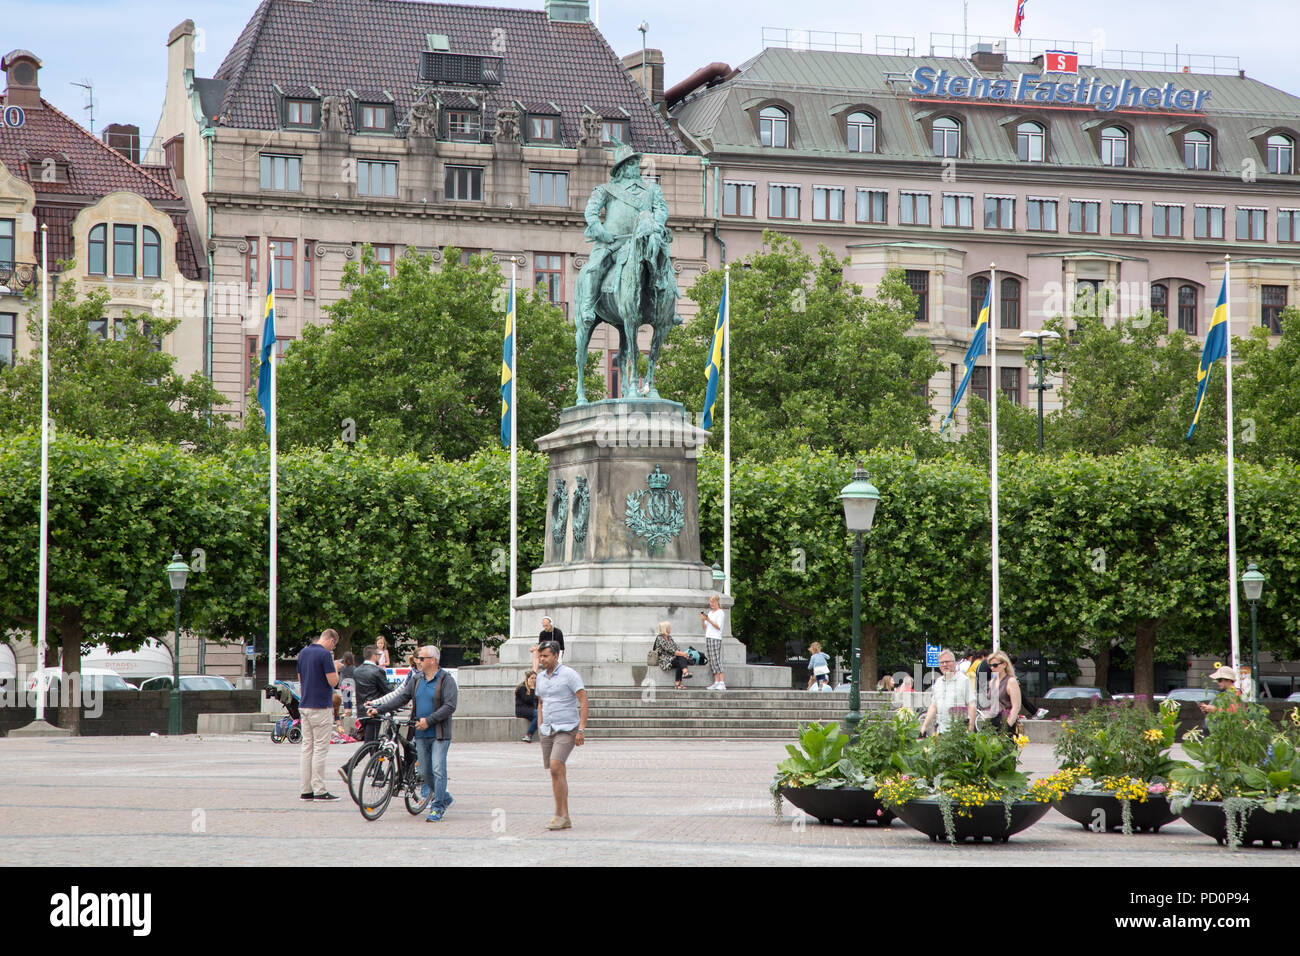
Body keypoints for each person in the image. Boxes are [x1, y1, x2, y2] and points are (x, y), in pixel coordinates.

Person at [366, 645, 458, 822]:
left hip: (439, 733)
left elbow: (450, 706)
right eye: (417, 658)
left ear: (432, 660)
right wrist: (379, 709)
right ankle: (445, 798)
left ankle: (438, 807)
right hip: (421, 733)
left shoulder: (446, 680)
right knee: (424, 771)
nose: (418, 661)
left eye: (421, 659)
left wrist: (429, 720)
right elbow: (401, 698)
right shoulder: (416, 679)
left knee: (438, 770)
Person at [536, 640, 587, 830]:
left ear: (556, 656)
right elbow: (541, 702)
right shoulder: (540, 677)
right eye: (540, 656)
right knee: (555, 771)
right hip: (548, 729)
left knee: (556, 766)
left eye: (546, 656)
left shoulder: (570, 675)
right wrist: (541, 725)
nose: (542, 659)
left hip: (567, 727)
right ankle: (564, 815)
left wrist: (581, 728)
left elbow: (583, 699)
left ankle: (559, 814)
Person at [336, 645, 394, 785]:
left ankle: (378, 772)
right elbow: (387, 690)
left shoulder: (358, 671)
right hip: (374, 711)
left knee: (372, 743)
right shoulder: (378, 671)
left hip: (362, 712)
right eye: (378, 655)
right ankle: (349, 766)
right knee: (370, 743)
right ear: (374, 656)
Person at [297, 628, 341, 801]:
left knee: (307, 748)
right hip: (321, 706)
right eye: (334, 645)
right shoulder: (325, 655)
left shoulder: (302, 653)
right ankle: (320, 790)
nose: (332, 648)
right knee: (320, 749)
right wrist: (336, 668)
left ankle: (306, 789)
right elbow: (333, 681)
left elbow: (301, 679)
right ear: (331, 640)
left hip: (305, 704)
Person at [919, 648, 976, 737]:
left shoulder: (964, 680)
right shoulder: (938, 682)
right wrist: (924, 726)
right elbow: (934, 706)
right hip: (941, 730)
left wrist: (970, 728)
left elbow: (971, 705)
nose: (945, 665)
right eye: (942, 662)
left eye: (947, 662)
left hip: (959, 731)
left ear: (954, 663)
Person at [985, 651, 1023, 737]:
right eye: (990, 665)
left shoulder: (1011, 681)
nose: (992, 668)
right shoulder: (992, 682)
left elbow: (1016, 706)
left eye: (995, 665)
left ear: (1004, 665)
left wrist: (1007, 726)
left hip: (1006, 721)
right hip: (992, 721)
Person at [652, 621, 693, 689]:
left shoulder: (669, 637)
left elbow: (676, 648)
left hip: (673, 658)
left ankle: (678, 683)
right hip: (665, 660)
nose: (670, 628)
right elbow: (671, 650)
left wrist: (682, 654)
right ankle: (684, 674)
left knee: (680, 660)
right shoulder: (660, 638)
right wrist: (683, 654)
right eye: (669, 627)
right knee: (681, 659)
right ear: (665, 628)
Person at [701, 593, 725, 691]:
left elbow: (718, 626)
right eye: (710, 602)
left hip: (716, 637)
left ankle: (722, 682)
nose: (711, 604)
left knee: (716, 659)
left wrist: (708, 620)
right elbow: (704, 627)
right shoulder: (710, 613)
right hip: (709, 636)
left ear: (717, 602)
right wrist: (703, 620)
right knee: (711, 660)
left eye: (713, 602)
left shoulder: (720, 613)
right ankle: (716, 682)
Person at [516, 671, 539, 741]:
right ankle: (528, 735)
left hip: (531, 710)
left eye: (535, 678)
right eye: (532, 678)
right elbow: (528, 700)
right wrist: (531, 689)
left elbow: (537, 702)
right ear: (527, 679)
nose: (534, 680)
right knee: (539, 714)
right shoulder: (522, 688)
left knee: (542, 714)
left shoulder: (536, 688)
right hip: (522, 709)